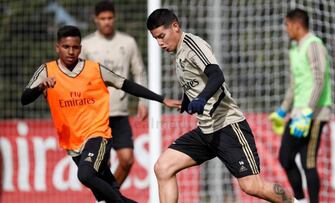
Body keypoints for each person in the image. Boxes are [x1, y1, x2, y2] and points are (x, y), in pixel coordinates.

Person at [146, 8, 300, 203]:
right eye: (156, 39)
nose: (160, 43)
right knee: (163, 167)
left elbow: (216, 75)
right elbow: (196, 81)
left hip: (228, 126)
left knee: (252, 186)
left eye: (161, 36)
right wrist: (187, 100)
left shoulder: (193, 45)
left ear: (175, 27)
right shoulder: (178, 53)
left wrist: (201, 99)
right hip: (206, 131)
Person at [21, 25, 180, 203]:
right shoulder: (46, 71)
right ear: (57, 47)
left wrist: (161, 99)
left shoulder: (94, 69)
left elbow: (125, 84)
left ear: (80, 48)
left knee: (86, 175)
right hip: (73, 144)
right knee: (108, 195)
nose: (71, 51)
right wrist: (41, 86)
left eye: (75, 47)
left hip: (98, 135)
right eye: (66, 47)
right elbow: (25, 98)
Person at [80, 1, 148, 188]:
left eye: (110, 18)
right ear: (96, 20)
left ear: (114, 18)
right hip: (95, 114)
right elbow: (77, 77)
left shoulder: (128, 42)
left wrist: (144, 101)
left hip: (120, 113)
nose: (107, 22)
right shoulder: (86, 45)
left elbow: (139, 71)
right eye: (103, 19)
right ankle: (109, 197)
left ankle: (109, 196)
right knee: (102, 164)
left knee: (127, 160)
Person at [269, 9, 332, 203]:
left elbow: (319, 80)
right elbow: (294, 85)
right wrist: (283, 109)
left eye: (287, 25)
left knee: (308, 163)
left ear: (297, 25)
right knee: (285, 157)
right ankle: (300, 199)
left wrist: (308, 113)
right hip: (298, 115)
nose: (286, 29)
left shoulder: (313, 45)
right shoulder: (294, 50)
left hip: (314, 115)